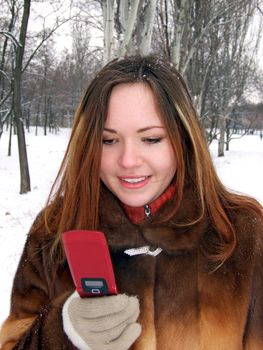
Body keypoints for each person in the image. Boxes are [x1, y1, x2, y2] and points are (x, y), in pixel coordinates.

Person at [1, 55, 263, 350]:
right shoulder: (52, 232)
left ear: (184, 139)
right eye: (108, 140)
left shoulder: (243, 233)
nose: (128, 161)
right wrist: (62, 333)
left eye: (151, 139)